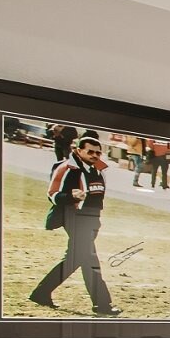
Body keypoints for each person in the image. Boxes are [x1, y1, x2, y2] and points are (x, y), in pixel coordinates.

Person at [29, 132, 121, 316]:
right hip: (74, 216)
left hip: (91, 219)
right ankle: (102, 305)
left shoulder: (99, 168)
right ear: (79, 150)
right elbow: (53, 194)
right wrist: (71, 196)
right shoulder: (66, 167)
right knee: (90, 261)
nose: (95, 155)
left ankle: (41, 293)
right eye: (90, 152)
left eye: (98, 152)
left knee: (75, 259)